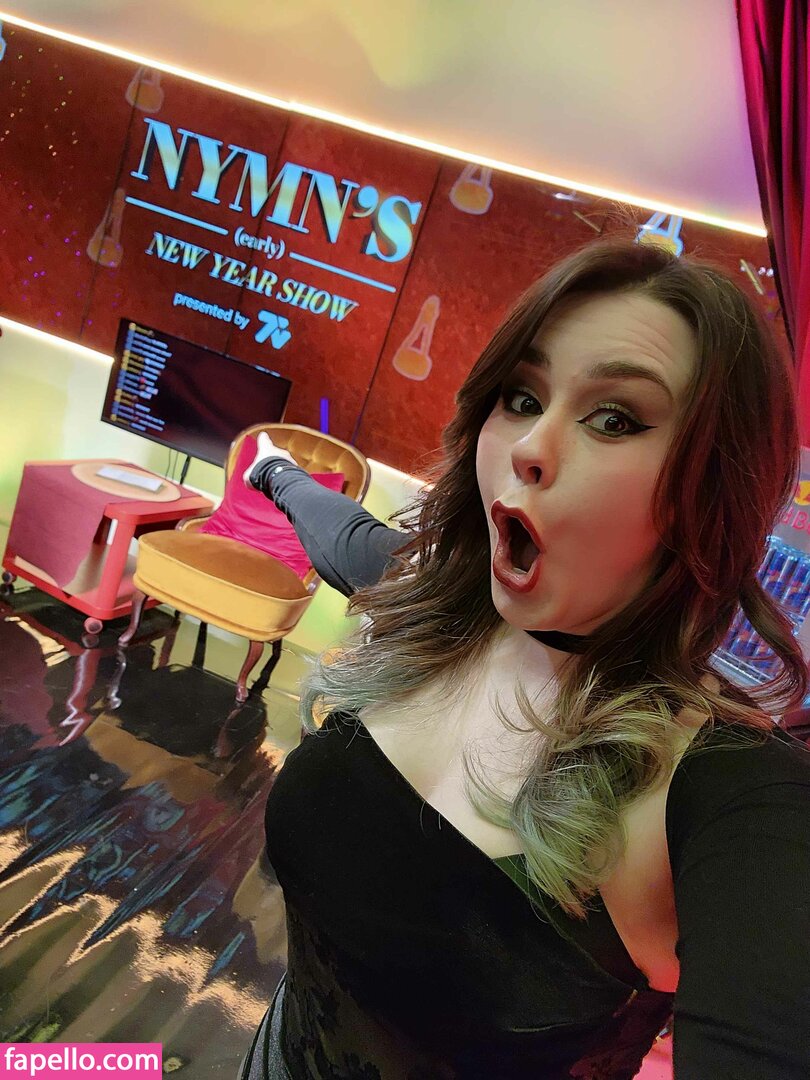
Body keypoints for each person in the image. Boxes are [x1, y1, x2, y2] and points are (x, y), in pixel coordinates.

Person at [239, 238, 810, 1079]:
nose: (529, 445)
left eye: (615, 418)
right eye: (521, 397)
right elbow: (344, 537)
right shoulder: (433, 609)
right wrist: (274, 472)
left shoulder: (729, 790)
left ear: (711, 489)